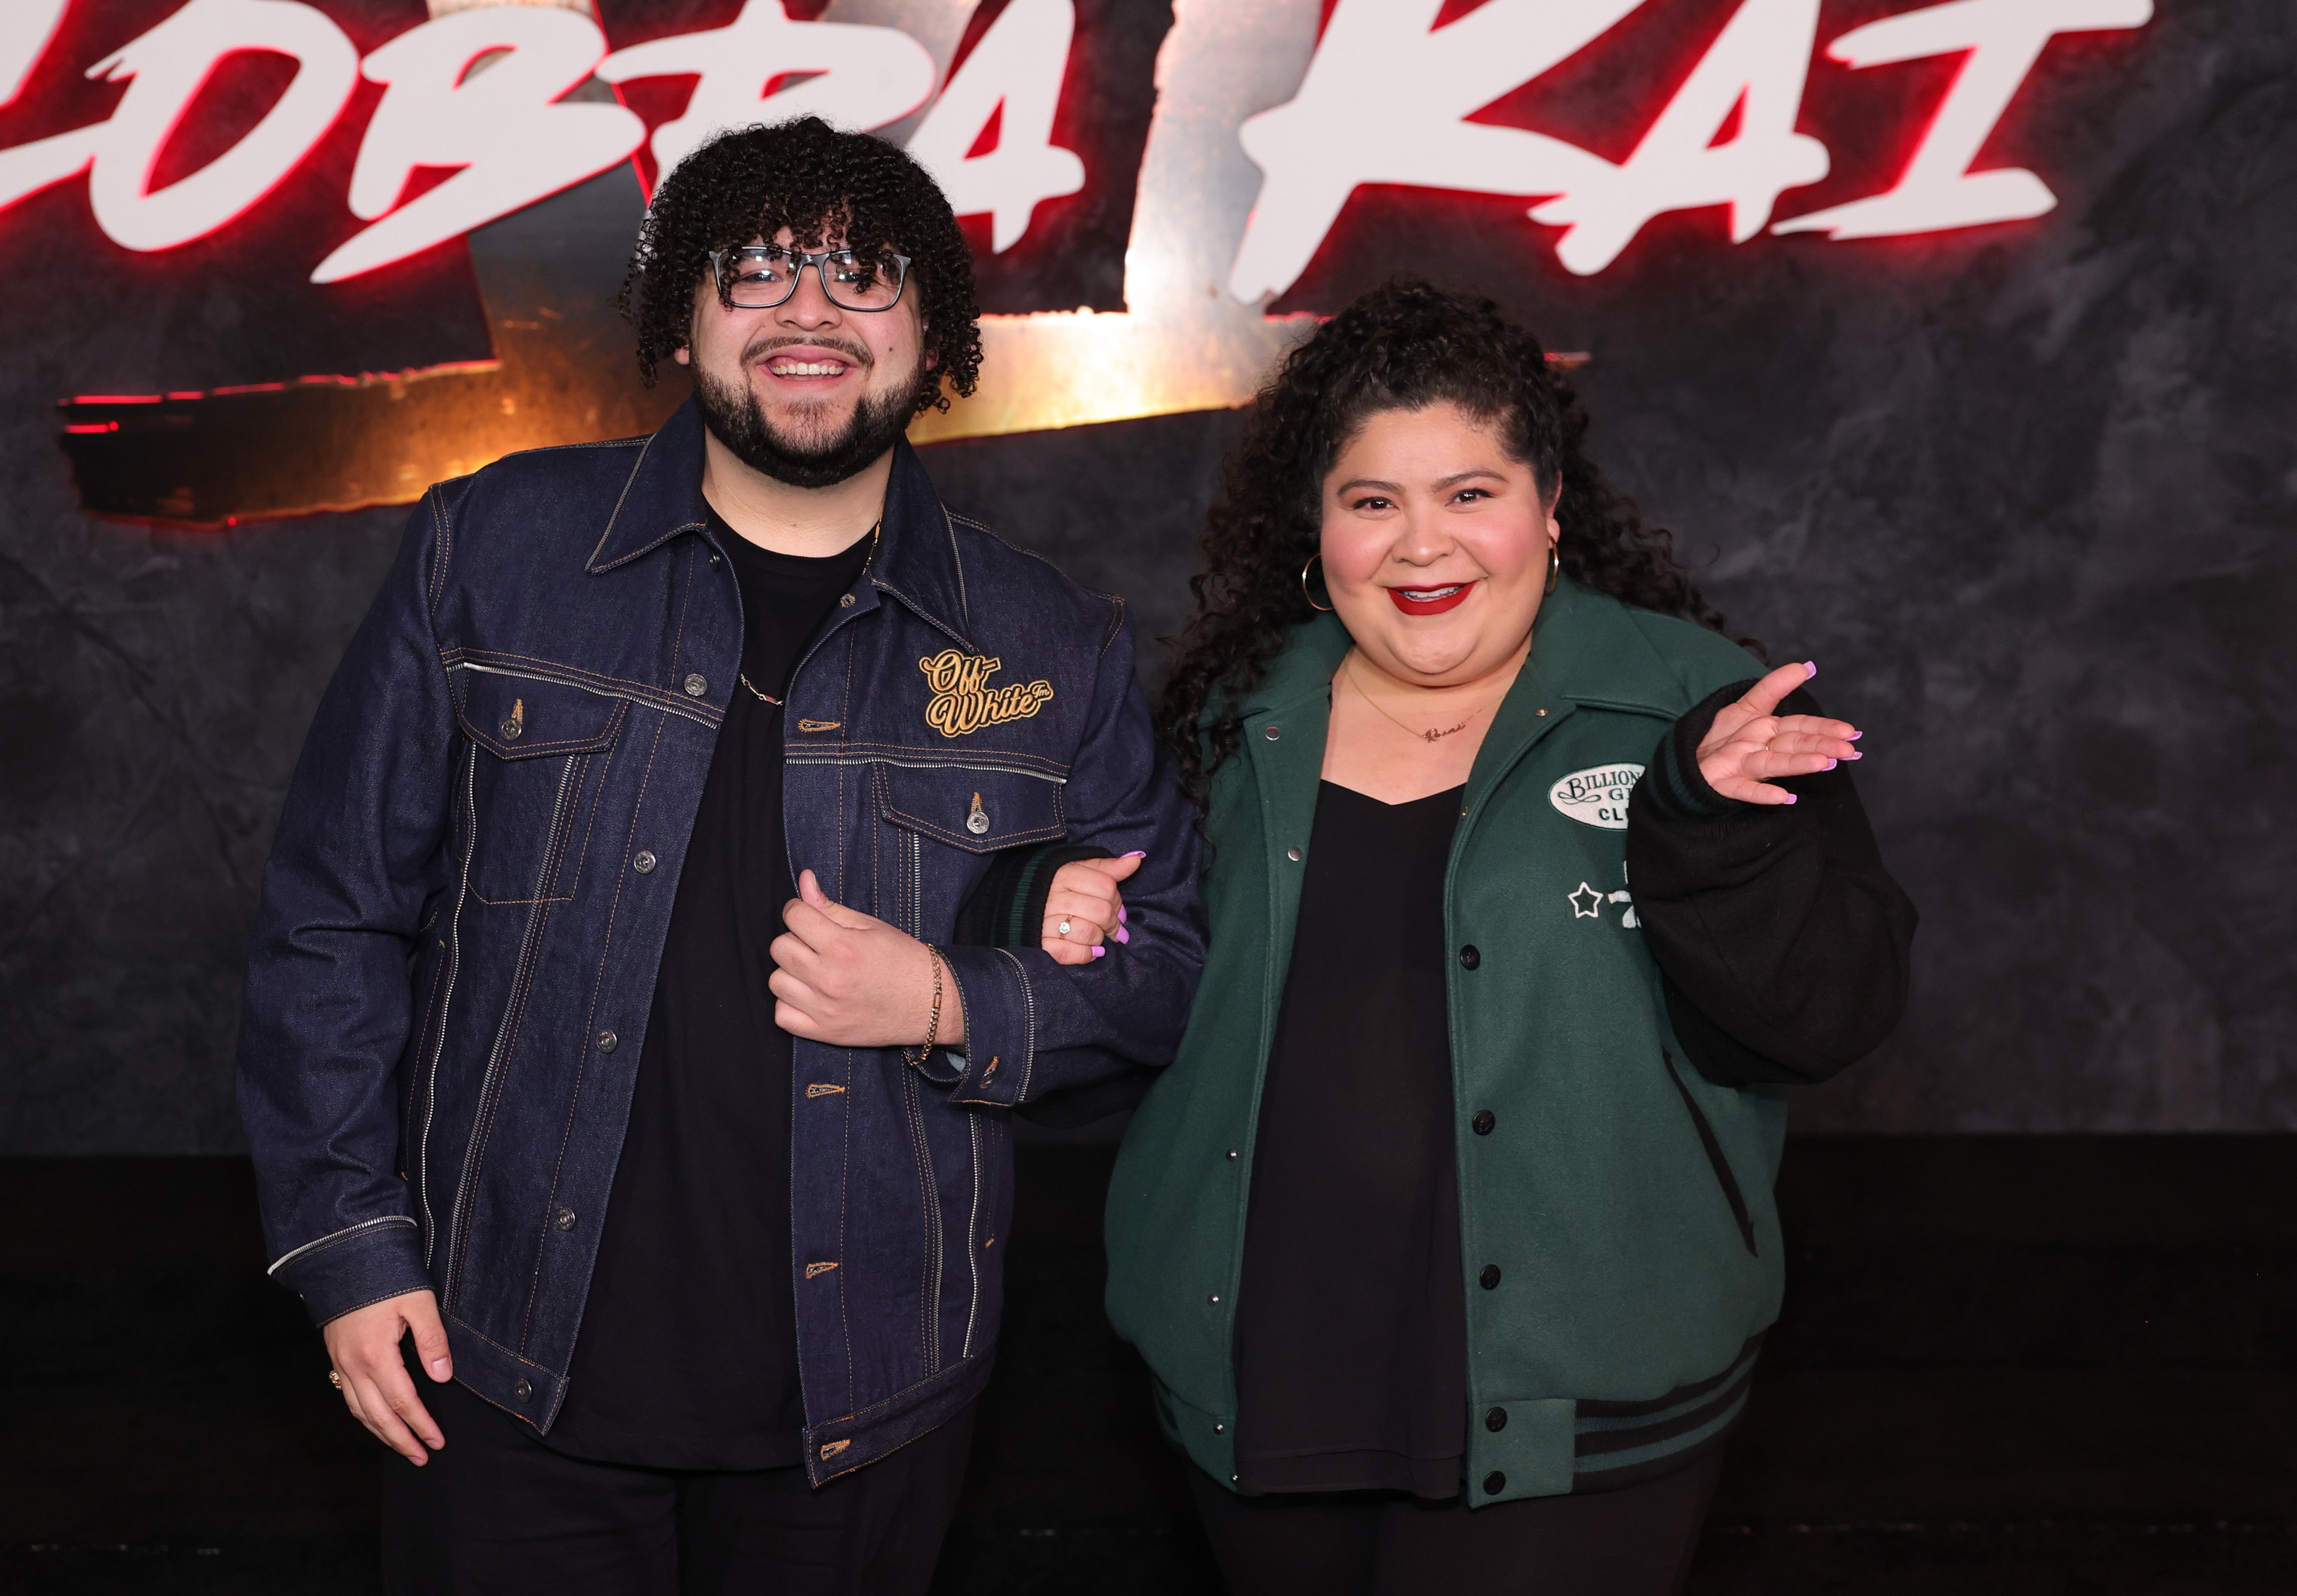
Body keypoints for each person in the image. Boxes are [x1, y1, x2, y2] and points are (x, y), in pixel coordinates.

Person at [236, 117, 1202, 1595]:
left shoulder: (1047, 643)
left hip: (866, 1395)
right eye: (754, 270)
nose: (807, 310)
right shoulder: (490, 549)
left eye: (863, 275)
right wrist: (350, 1249)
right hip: (499, 1362)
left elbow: (1170, 969)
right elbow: (333, 921)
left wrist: (953, 1001)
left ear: (931, 329)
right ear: (680, 313)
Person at [1105, 281, 1916, 1595]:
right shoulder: (1220, 718)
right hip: (1260, 1386)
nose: (1423, 547)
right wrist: (1040, 920)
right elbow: (1129, 997)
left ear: (1548, 507)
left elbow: (1825, 1015)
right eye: (1372, 502)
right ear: (1315, 533)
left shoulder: (1697, 710)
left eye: (1469, 493)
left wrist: (1704, 831)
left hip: (1575, 1416)